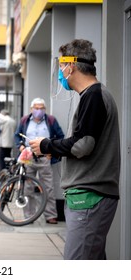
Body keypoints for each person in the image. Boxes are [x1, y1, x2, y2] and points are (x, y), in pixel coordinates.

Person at [29, 39, 120, 260]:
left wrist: (46, 145)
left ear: (72, 66)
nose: (60, 72)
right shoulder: (92, 95)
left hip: (89, 196)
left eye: (61, 66)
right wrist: (57, 149)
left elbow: (83, 145)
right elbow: (83, 142)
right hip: (90, 195)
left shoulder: (94, 96)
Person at [15, 97, 64, 225]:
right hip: (28, 158)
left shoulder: (51, 120)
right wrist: (20, 146)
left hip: (44, 158)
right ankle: (29, 216)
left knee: (48, 188)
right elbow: (17, 135)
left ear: (45, 109)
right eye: (36, 108)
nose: (39, 110)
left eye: (41, 108)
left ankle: (51, 215)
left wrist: (52, 153)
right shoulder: (25, 120)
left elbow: (60, 137)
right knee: (28, 187)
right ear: (31, 109)